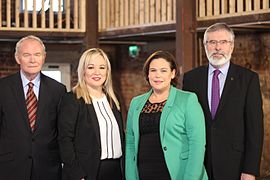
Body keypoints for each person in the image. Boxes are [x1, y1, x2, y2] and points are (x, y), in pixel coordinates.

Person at [183, 23, 264, 180]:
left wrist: (250, 170)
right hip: (199, 164)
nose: (217, 47)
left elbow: (255, 129)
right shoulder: (191, 78)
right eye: (212, 42)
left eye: (223, 42)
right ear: (205, 46)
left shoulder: (248, 79)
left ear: (231, 46)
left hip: (235, 164)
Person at [125, 51, 208, 180]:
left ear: (173, 73)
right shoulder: (136, 102)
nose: (158, 75)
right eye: (153, 70)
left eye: (163, 70)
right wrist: (130, 176)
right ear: (148, 74)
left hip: (177, 174)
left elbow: (197, 144)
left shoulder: (188, 100)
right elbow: (130, 143)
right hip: (143, 173)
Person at [0, 35, 66, 180]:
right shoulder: (2, 88)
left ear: (44, 57)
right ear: (17, 58)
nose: (32, 60)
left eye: (37, 55)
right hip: (9, 168)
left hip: (48, 169)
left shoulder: (58, 90)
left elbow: (62, 132)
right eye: (26, 55)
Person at [58, 48, 125, 180]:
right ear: (83, 71)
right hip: (87, 172)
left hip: (116, 170)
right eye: (90, 67)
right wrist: (78, 174)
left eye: (102, 67)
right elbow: (64, 140)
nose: (97, 72)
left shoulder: (113, 99)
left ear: (107, 71)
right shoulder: (72, 99)